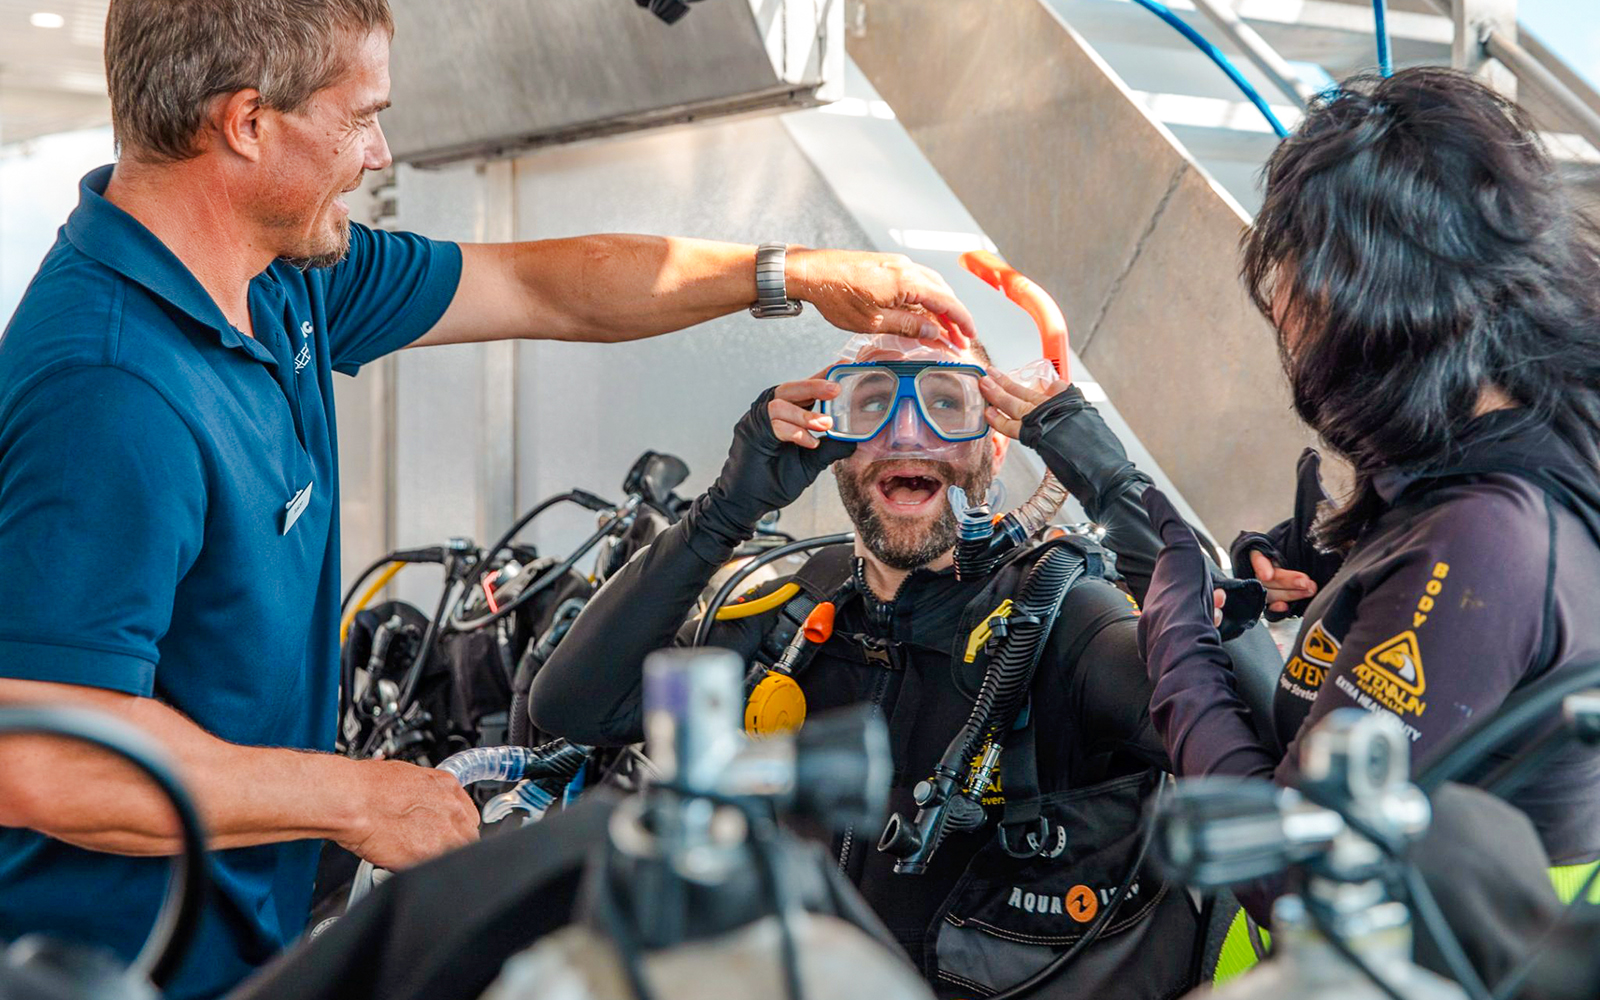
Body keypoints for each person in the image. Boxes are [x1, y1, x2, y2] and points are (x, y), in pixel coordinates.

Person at [0, 2, 977, 996]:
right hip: (123, 964)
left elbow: (544, 287)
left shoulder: (276, 280)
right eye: (360, 116)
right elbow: (45, 753)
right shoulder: (112, 384)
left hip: (249, 927)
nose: (379, 152)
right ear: (248, 123)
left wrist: (791, 274)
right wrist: (356, 797)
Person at [529, 334, 1219, 999]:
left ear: (997, 441)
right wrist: (724, 511)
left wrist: (1112, 482)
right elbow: (577, 708)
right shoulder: (793, 608)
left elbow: (1243, 739)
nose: (908, 432)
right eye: (873, 403)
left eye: (948, 403)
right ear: (834, 446)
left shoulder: (1066, 620)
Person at [1133, 68, 1600, 925]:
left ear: (1382, 312)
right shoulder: (1506, 454)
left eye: (1301, 294)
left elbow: (1296, 869)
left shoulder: (1486, 541)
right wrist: (1340, 569)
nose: (1286, 323)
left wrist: (1175, 640)